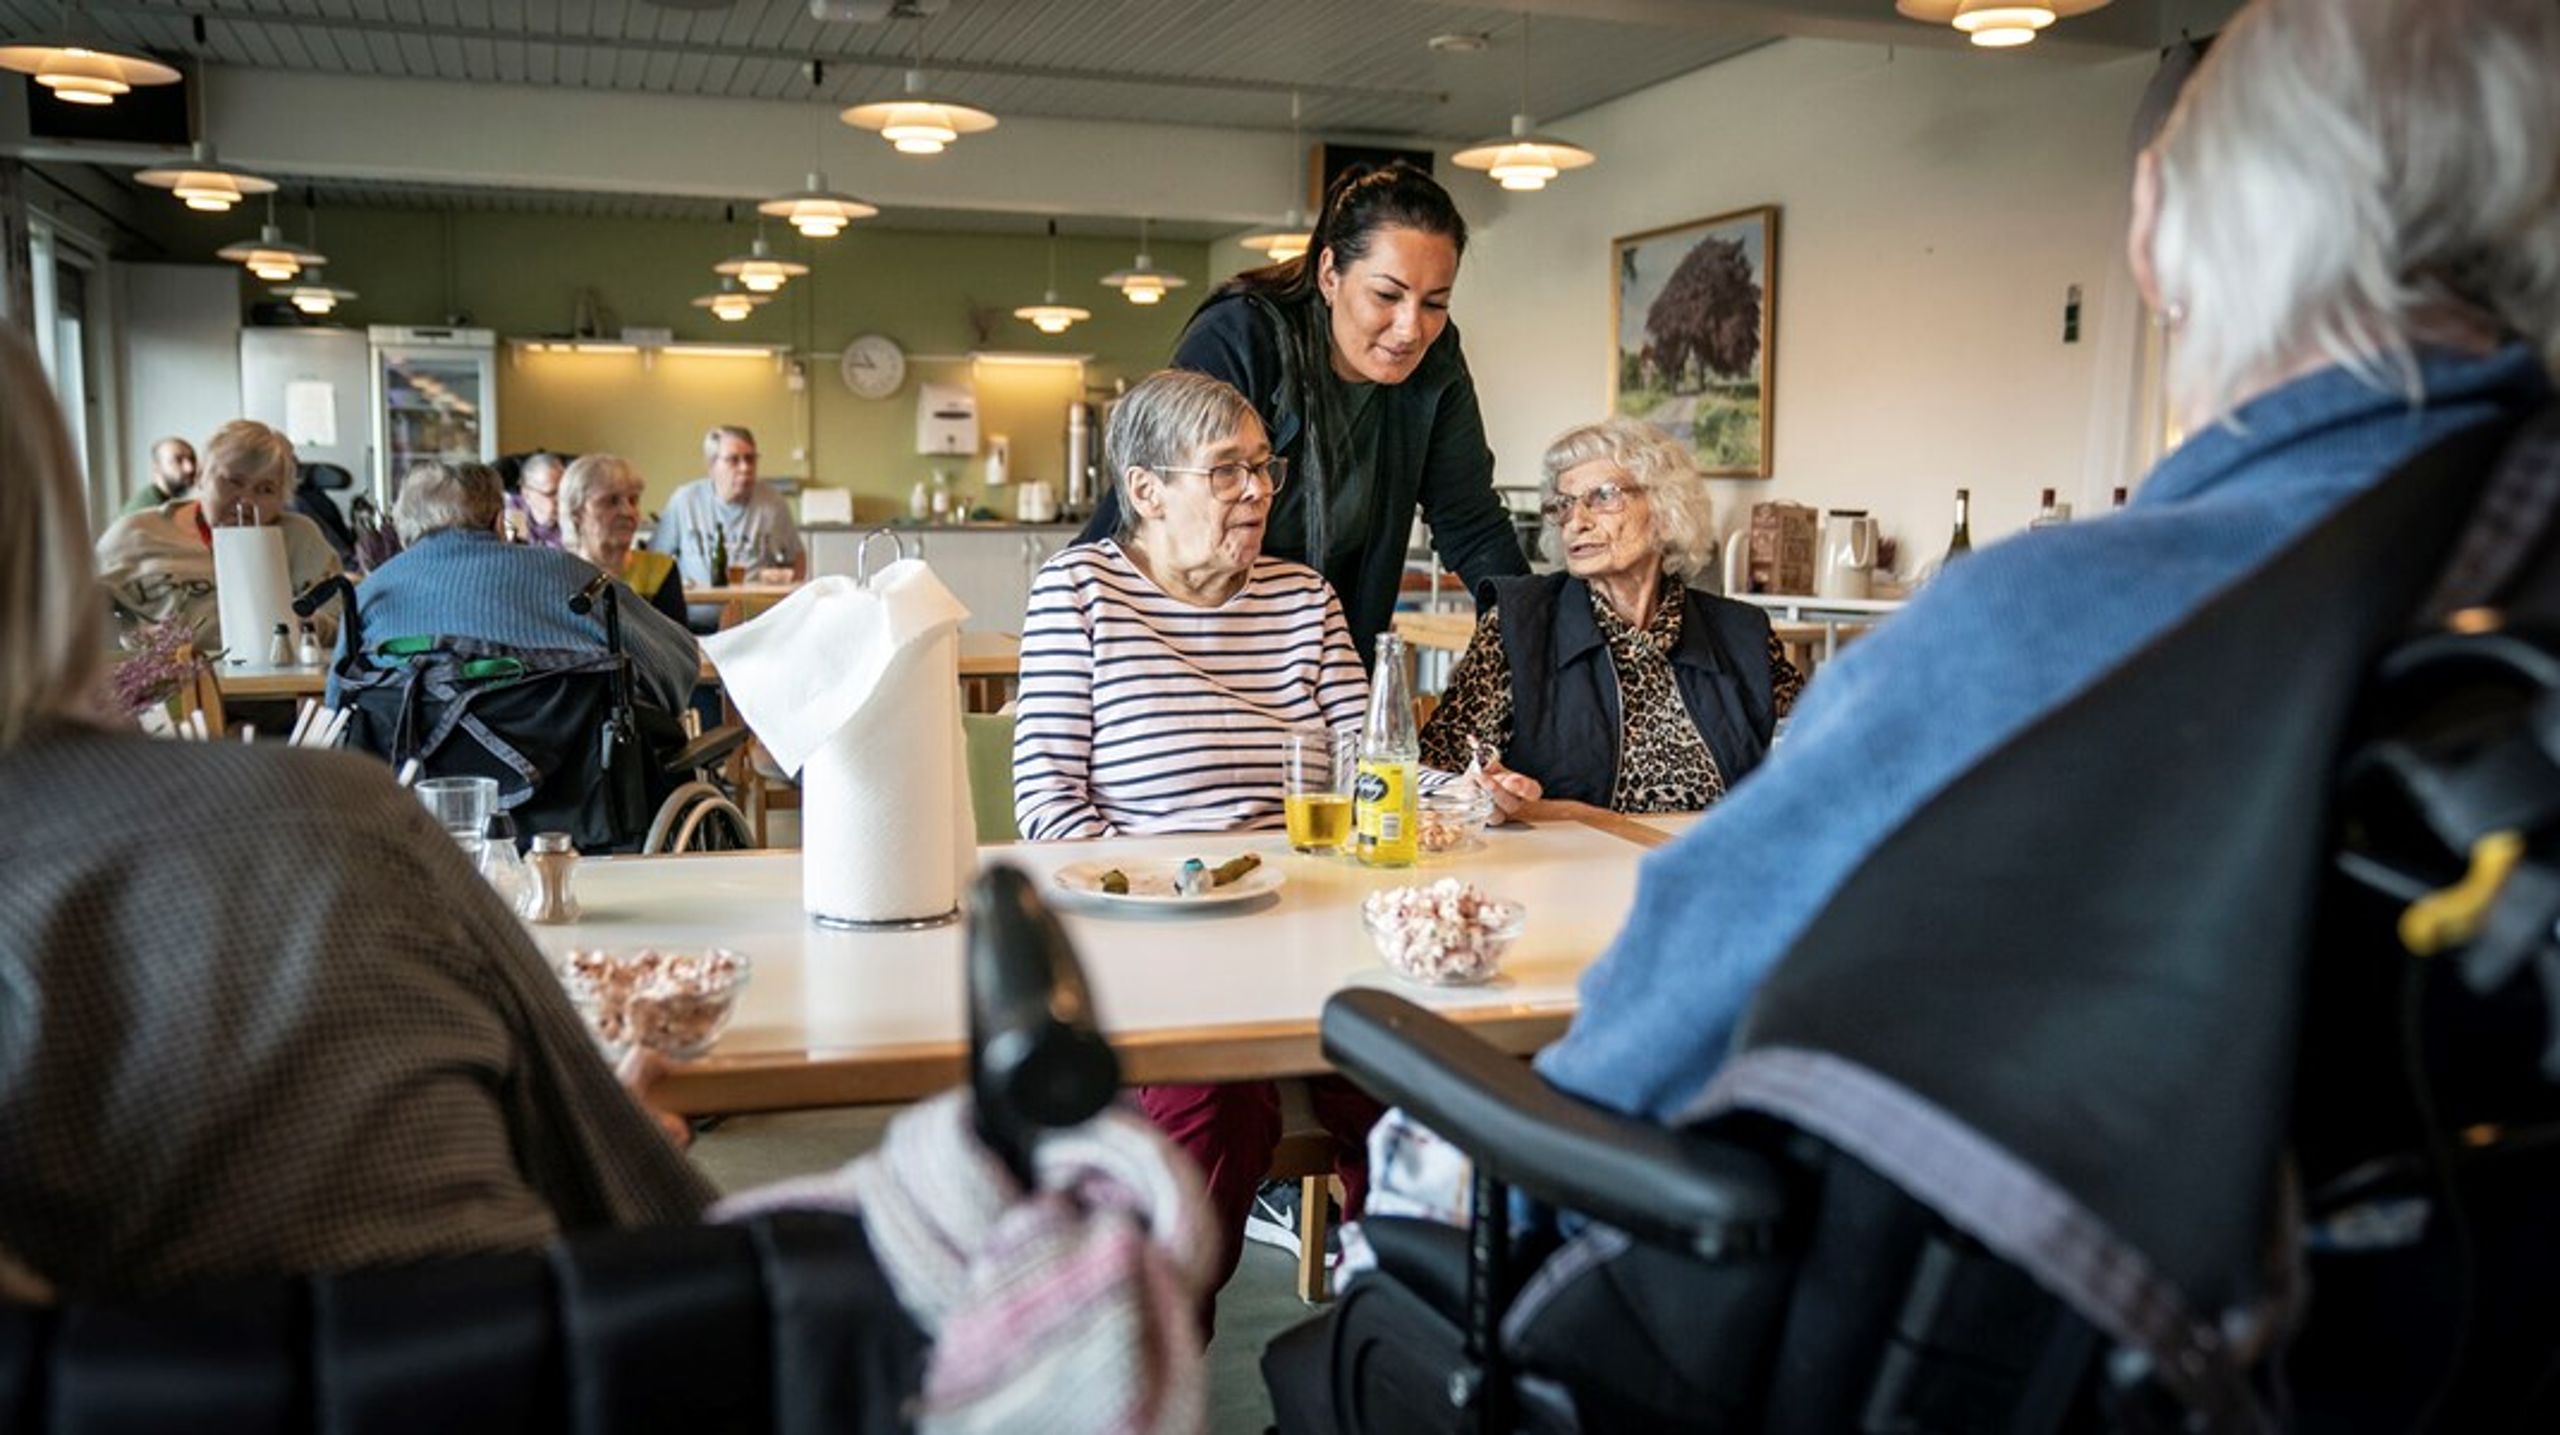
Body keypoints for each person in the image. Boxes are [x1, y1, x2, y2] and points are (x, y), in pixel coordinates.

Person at [1533, 0, 2560, 1125]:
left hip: (2043, 1263)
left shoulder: (2040, 623)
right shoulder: (2493, 574)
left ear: (2157, 226)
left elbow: (1653, 1035)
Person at [0, 326, 710, 1301]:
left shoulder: (371, 595)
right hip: (580, 823)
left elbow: (340, 696)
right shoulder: (339, 827)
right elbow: (654, 1215)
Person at [1013, 369, 1384, 1334]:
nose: (1260, 491)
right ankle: (1158, 1352)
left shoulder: (1304, 597)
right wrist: (1167, 896)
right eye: (1227, 471)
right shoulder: (1081, 589)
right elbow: (1049, 807)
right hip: (1157, 935)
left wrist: (1462, 790)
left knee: (1420, 1082)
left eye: (1264, 467)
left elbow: (1372, 766)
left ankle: (1400, 1334)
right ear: (1146, 489)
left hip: (1311, 925)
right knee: (1212, 1111)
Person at [1076, 163, 1527, 663]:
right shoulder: (1241, 339)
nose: (1410, 329)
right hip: (1196, 646)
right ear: (1330, 273)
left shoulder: (1435, 363)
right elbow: (1150, 510)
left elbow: (1471, 521)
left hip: (1323, 653)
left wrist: (1542, 631)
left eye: (1435, 303)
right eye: (1387, 295)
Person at [1421, 417, 1801, 815]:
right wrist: (1486, 792)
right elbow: (1434, 775)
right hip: (1565, 870)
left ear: (1665, 510)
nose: (1576, 522)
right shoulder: (1518, 625)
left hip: (1717, 866)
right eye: (1564, 505)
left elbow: (1822, 761)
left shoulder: (1743, 635)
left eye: (1602, 497)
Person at [337, 460, 700, 716]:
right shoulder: (569, 576)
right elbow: (675, 663)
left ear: (405, 531)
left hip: (411, 792)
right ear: (499, 521)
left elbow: (339, 706)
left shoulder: (369, 595)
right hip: (568, 796)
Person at [95, 419, 343, 652]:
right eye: (234, 482)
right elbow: (75, 617)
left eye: (266, 489)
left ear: (283, 497)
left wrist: (305, 625)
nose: (247, 501)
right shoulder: (137, 533)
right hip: (169, 686)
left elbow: (340, 618)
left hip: (277, 689)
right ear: (202, 476)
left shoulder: (298, 536)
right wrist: (129, 637)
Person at [653, 425, 803, 630]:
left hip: (754, 625)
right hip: (691, 624)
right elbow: (655, 559)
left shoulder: (773, 502)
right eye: (734, 460)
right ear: (711, 465)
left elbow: (797, 558)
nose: (745, 467)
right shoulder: (685, 500)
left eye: (750, 459)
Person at [561, 453, 689, 627]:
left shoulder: (659, 570)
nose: (628, 512)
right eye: (612, 501)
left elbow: (676, 648)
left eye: (633, 500)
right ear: (576, 512)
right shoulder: (558, 575)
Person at [504, 450, 568, 548]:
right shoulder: (516, 508)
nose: (562, 498)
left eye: (565, 490)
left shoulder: (575, 514)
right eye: (552, 493)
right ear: (526, 494)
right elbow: (516, 550)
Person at [119, 435, 196, 516]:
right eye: (178, 460)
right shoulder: (147, 512)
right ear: (157, 467)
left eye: (192, 459)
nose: (190, 468)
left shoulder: (169, 504)